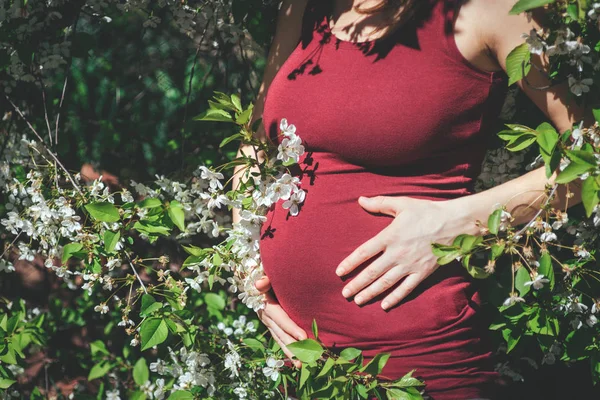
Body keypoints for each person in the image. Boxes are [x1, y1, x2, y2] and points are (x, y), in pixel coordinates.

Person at [232, 0, 588, 398]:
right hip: (302, 359)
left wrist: (459, 221)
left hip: (418, 353)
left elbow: (592, 154)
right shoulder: (304, 7)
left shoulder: (492, 10)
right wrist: (248, 273)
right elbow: (257, 144)